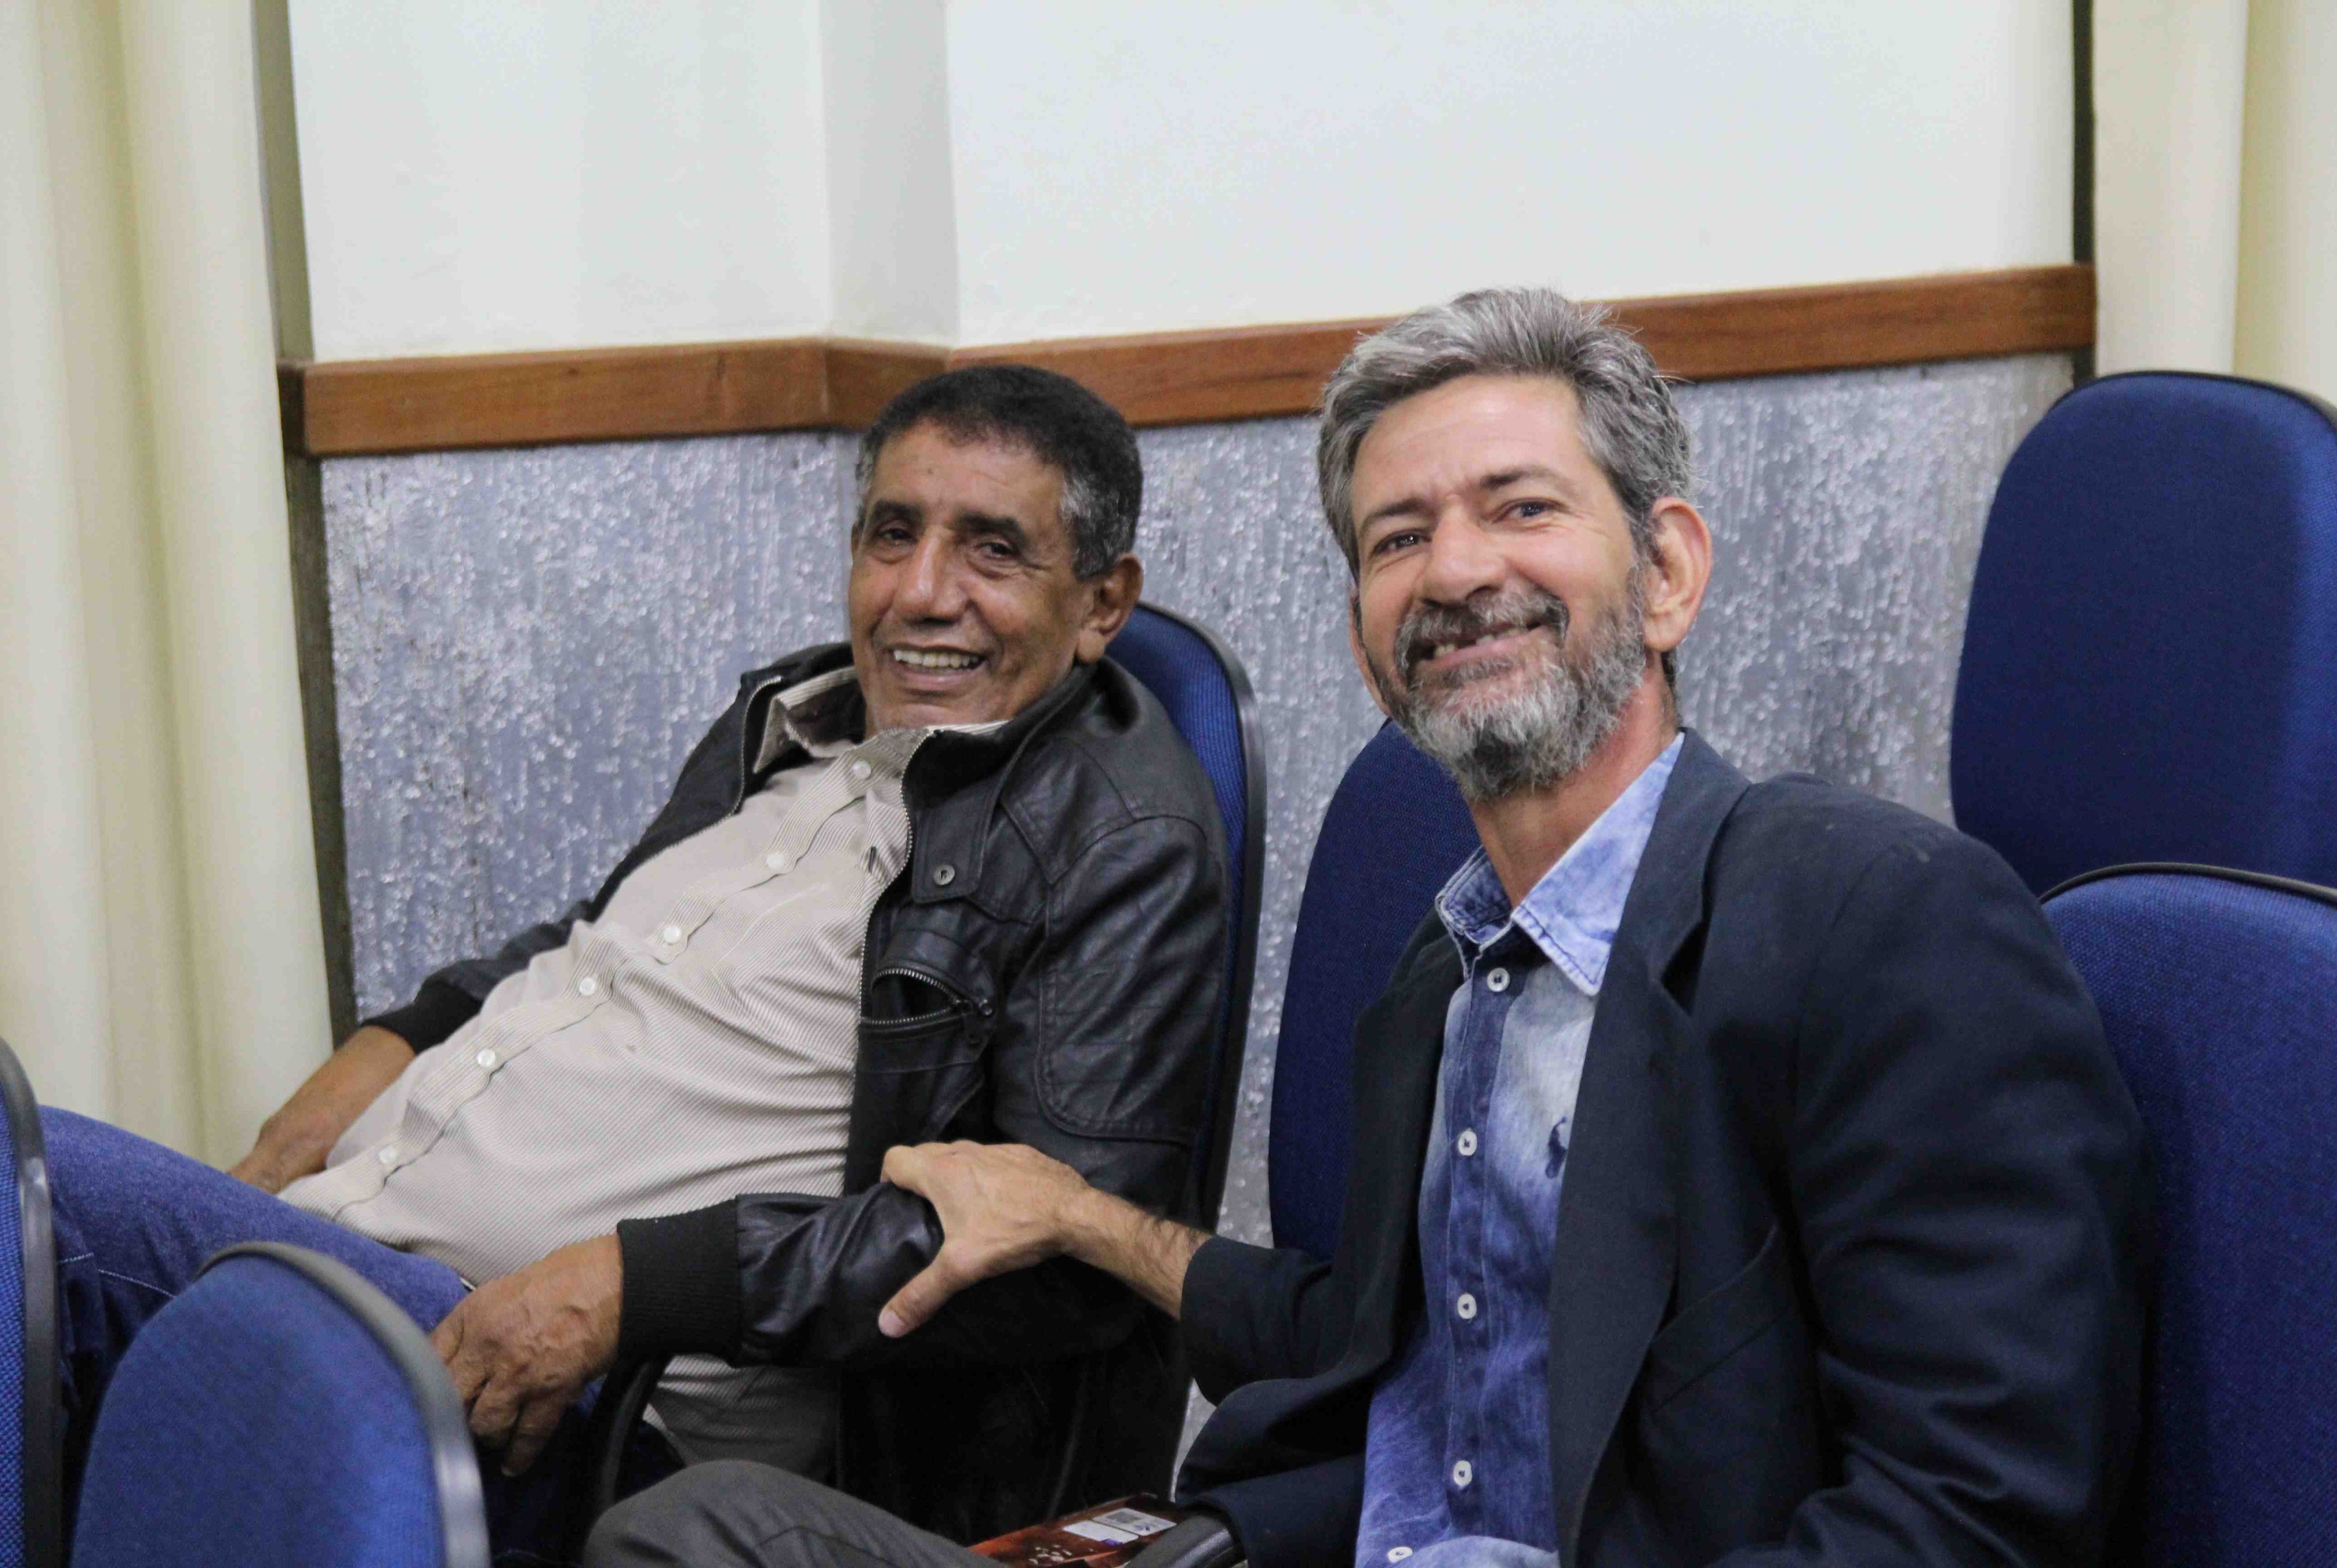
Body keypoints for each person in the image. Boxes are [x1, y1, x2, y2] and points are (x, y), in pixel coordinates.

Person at [588, 290, 2150, 1568]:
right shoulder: (1445, 973)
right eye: (1398, 538)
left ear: (1667, 571)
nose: (1456, 569)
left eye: (1519, 508)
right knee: (693, 1528)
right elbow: (1370, 1342)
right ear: (1363, 642)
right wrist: (1074, 1217)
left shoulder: (1880, 917)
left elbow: (1977, 1513)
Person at [48, 364, 1230, 1550]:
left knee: (46, 1202)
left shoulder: (1121, 843)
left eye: (991, 550)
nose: (921, 592)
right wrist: (323, 1110)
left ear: (1101, 603)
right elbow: (592, 946)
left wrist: (630, 1284)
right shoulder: (797, 716)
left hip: (562, 1396)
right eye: (893, 533)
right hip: (350, 1238)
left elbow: (1062, 1253)